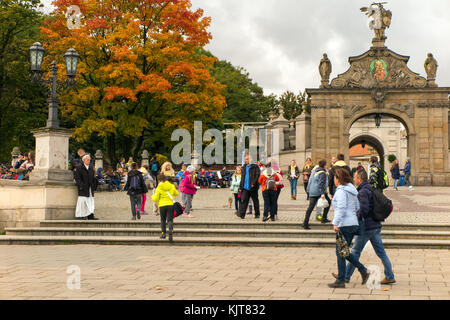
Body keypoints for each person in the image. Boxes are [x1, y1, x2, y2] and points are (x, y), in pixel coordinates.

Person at [341, 169, 396, 285]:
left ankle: (345, 276)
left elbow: (364, 210)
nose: (354, 179)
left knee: (355, 251)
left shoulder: (363, 192)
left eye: (355, 177)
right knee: (381, 252)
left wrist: (356, 216)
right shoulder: (370, 188)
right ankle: (390, 276)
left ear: (359, 179)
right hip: (376, 225)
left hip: (367, 227)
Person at [328, 167, 370, 288]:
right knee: (344, 251)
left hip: (344, 224)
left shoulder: (341, 191)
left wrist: (336, 223)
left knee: (340, 252)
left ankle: (341, 280)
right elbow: (357, 207)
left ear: (338, 178)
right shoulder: (352, 190)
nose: (334, 181)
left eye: (335, 178)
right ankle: (362, 270)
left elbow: (340, 208)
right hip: (353, 223)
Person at [303, 160, 330, 229]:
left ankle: (305, 223)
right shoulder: (322, 173)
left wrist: (308, 190)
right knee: (329, 202)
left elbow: (310, 180)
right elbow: (321, 184)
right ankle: (324, 218)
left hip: (313, 191)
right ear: (324, 165)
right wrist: (322, 194)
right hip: (319, 191)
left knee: (310, 207)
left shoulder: (315, 171)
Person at [151, 174, 179, 241]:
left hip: (162, 205)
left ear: (159, 180)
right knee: (170, 219)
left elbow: (155, 199)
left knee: (163, 220)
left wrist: (152, 196)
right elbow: (176, 193)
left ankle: (163, 234)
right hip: (170, 205)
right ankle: (170, 230)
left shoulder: (159, 187)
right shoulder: (171, 186)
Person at [74, 154, 99, 220]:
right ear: (84, 160)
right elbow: (78, 178)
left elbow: (93, 177)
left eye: (89, 160)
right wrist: (81, 186)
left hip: (90, 187)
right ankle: (82, 215)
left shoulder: (91, 167)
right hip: (83, 188)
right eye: (87, 160)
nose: (89, 161)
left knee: (91, 202)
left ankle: (90, 215)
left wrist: (94, 184)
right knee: (82, 202)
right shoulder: (79, 167)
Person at [238, 154, 261, 219]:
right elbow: (242, 177)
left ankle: (257, 214)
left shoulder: (255, 166)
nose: (246, 160)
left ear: (251, 159)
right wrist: (240, 186)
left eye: (247, 159)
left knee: (255, 201)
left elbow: (257, 176)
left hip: (253, 187)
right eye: (245, 159)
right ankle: (242, 214)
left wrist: (253, 183)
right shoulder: (244, 167)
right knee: (244, 200)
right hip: (245, 187)